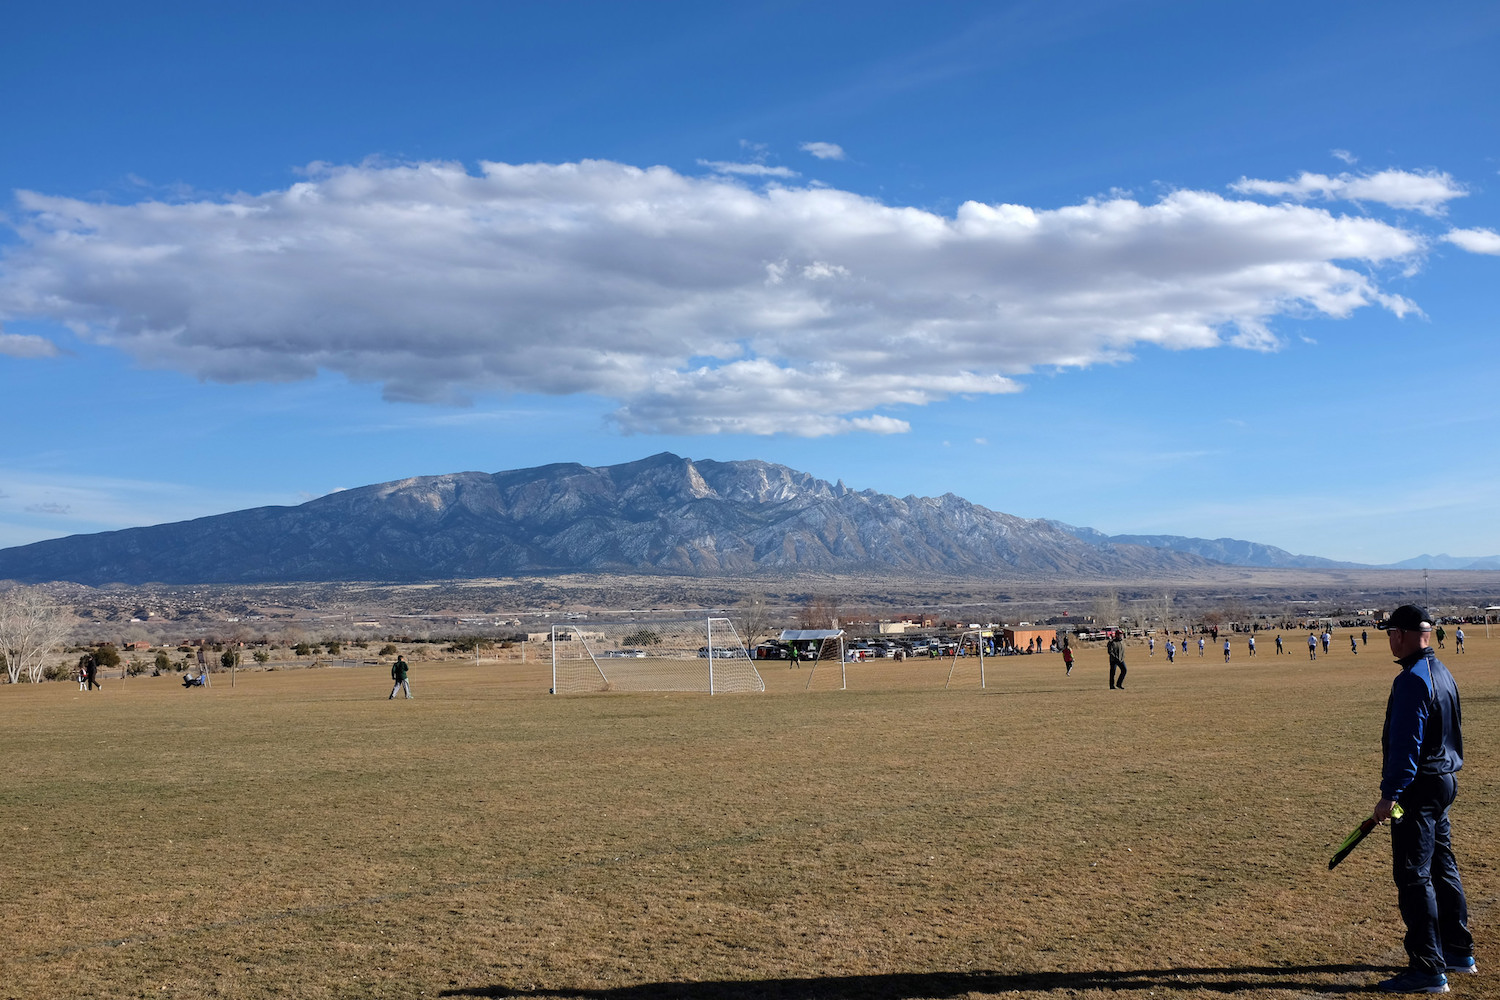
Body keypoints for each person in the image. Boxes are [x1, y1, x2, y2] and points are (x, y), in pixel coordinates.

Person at [1370, 605, 1473, 993]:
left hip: (1419, 788)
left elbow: (1406, 745)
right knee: (1442, 864)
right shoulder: (1442, 671)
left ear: (1408, 634)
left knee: (1414, 875)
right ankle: (1458, 952)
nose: (1390, 639)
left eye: (1392, 632)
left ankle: (1428, 968)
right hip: (1443, 780)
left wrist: (1390, 795)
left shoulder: (1411, 680)